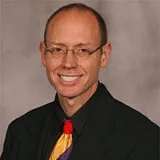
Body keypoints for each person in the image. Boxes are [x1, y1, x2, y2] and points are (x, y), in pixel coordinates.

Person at [0, 3, 159, 160]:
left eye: (83, 50)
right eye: (57, 49)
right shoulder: (20, 133)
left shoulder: (145, 140)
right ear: (43, 54)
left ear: (104, 55)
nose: (68, 63)